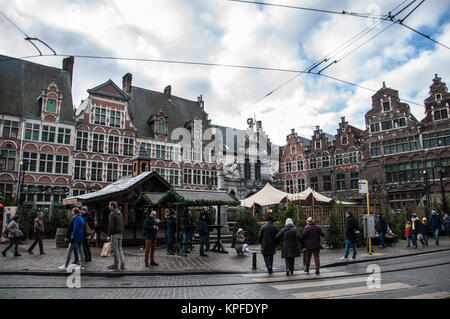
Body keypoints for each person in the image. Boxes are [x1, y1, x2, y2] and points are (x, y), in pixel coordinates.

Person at [106, 201, 125, 270]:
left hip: (114, 234)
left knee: (115, 249)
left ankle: (116, 264)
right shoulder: (120, 213)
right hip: (120, 233)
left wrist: (109, 235)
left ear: (112, 206)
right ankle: (122, 263)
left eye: (109, 205)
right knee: (120, 248)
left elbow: (111, 226)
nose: (108, 206)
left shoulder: (112, 214)